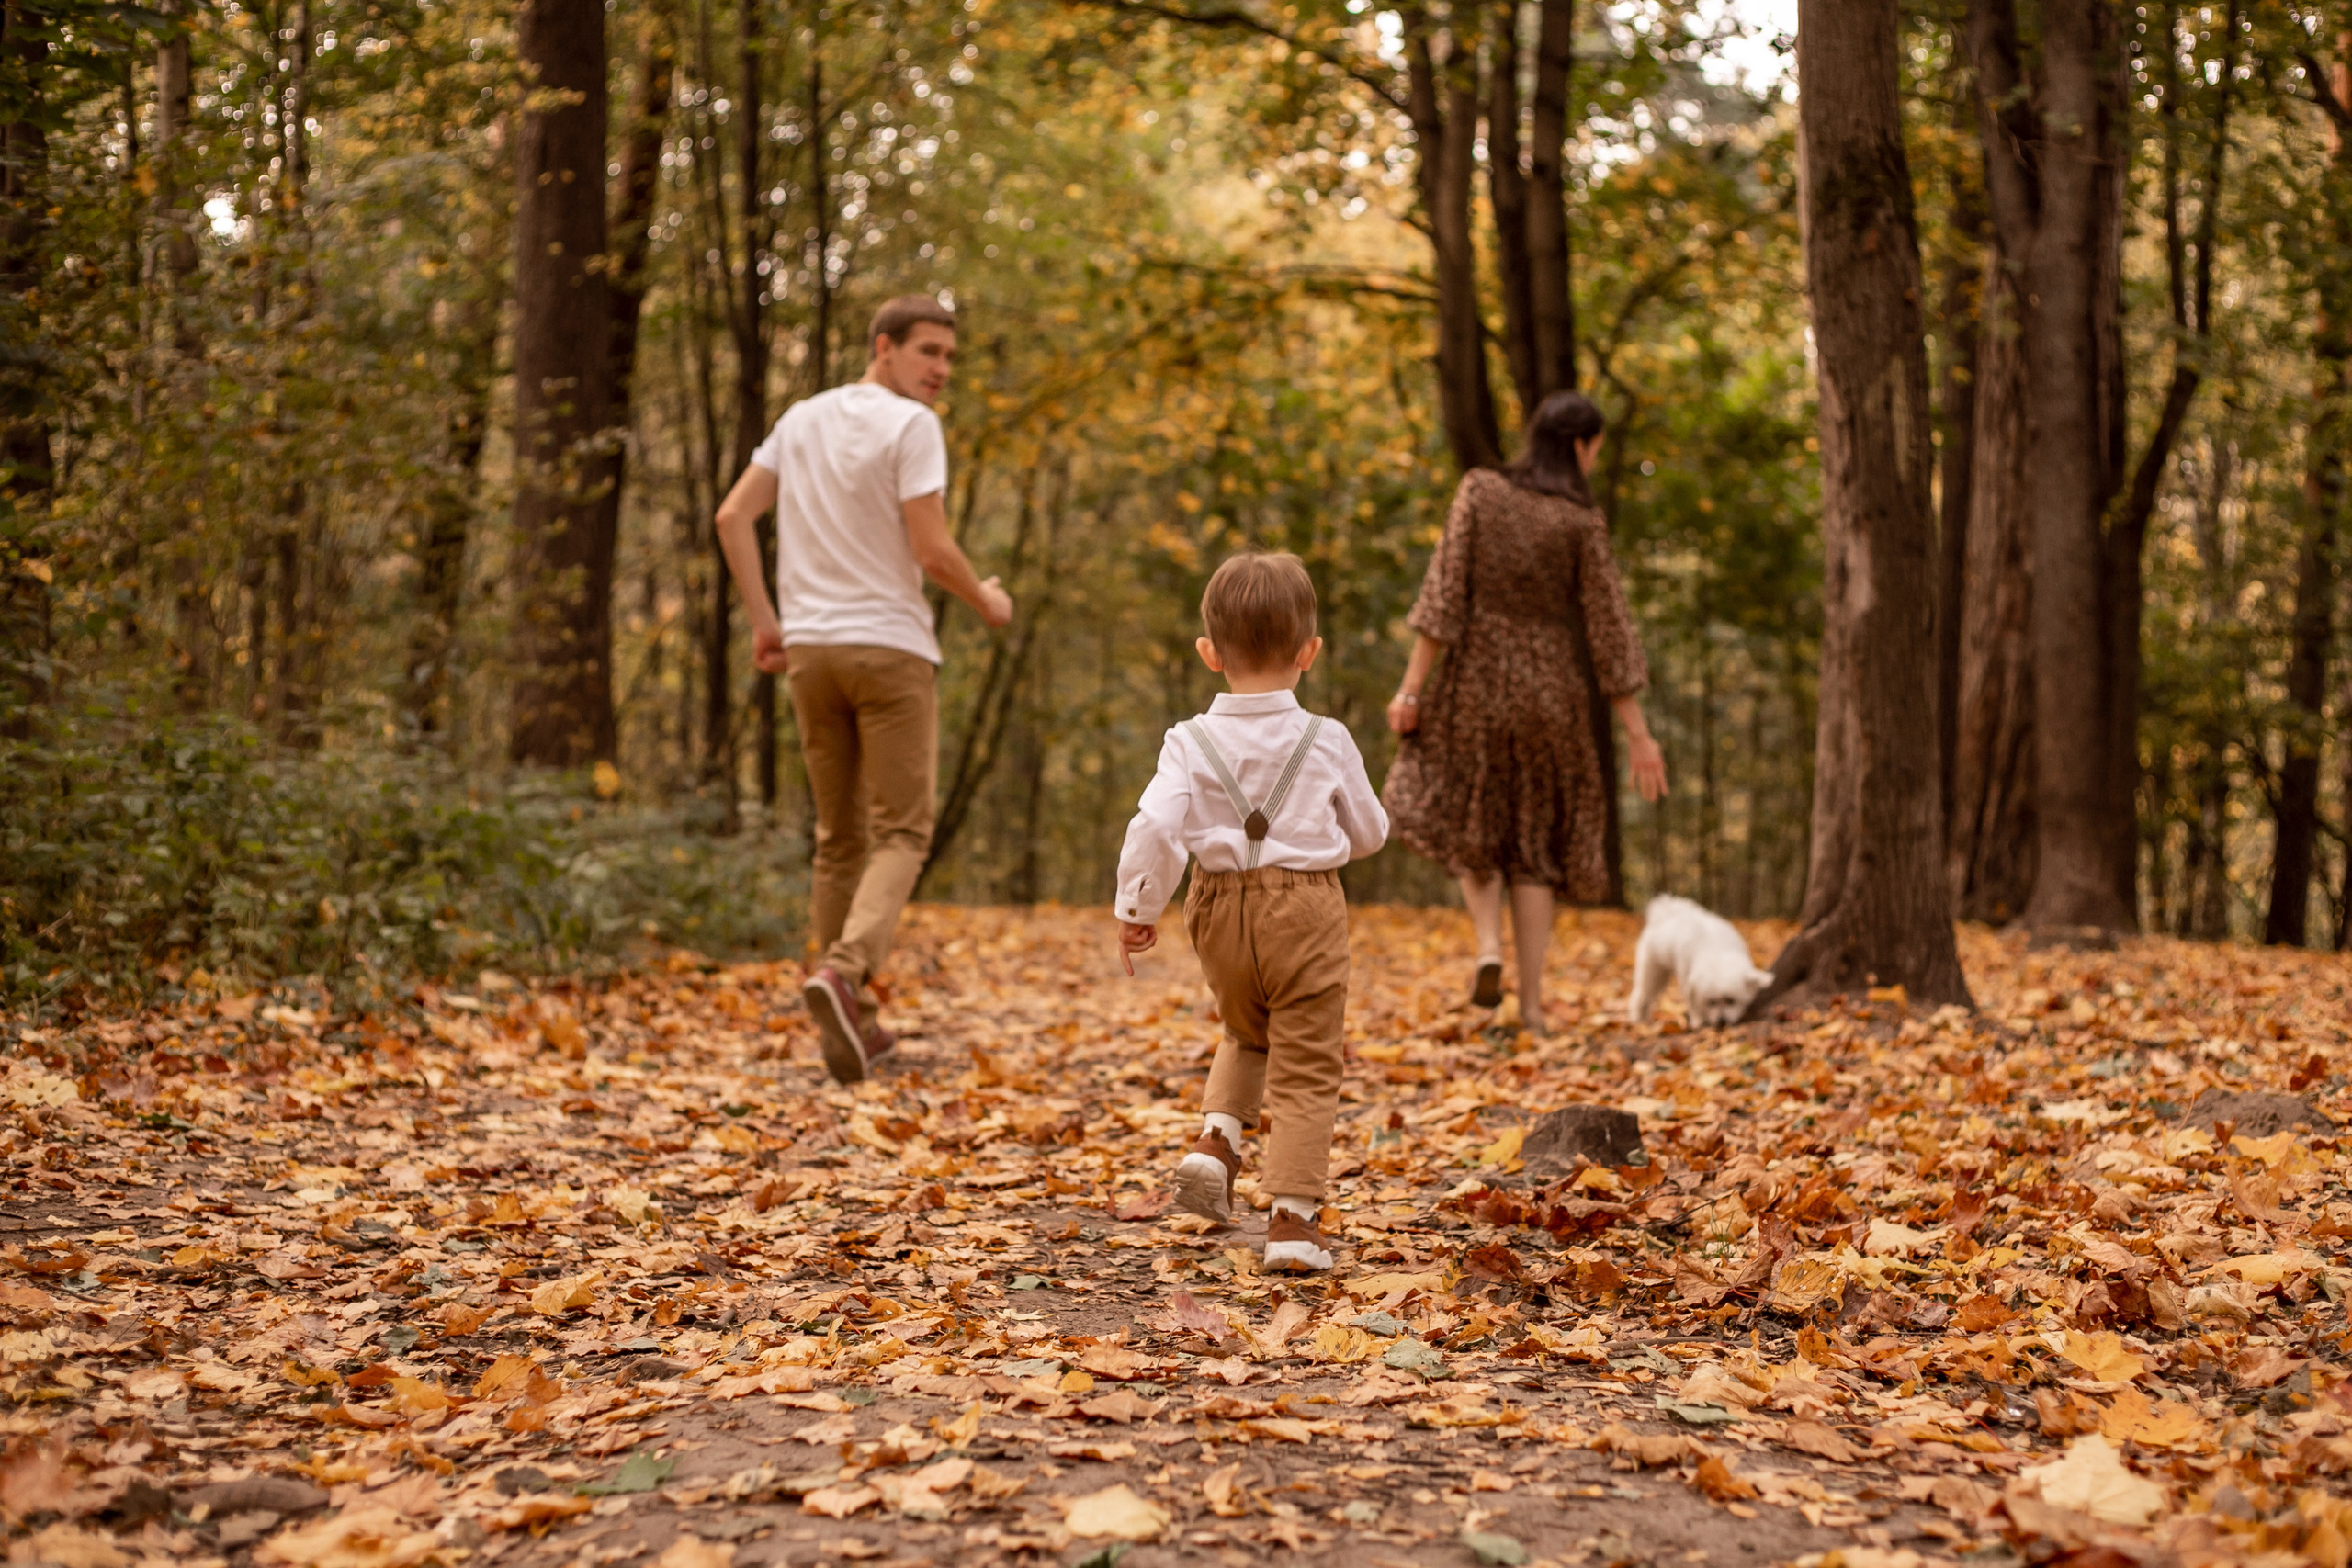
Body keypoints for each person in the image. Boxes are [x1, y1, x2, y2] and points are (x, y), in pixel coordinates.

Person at [715, 294, 1013, 1085]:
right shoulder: (912, 425)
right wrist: (987, 600)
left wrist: (767, 624)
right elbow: (932, 548)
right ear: (883, 348)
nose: (940, 370)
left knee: (837, 840)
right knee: (902, 832)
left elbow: (733, 516)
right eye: (927, 353)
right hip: (888, 649)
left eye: (948, 357)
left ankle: (852, 1026)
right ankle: (845, 974)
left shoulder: (801, 419)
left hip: (811, 651)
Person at [1114, 553, 1389, 1272]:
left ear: (1210, 653)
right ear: (1309, 652)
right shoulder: (1327, 738)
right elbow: (1369, 833)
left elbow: (1155, 823)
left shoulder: (1187, 739)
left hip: (1217, 907)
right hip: (1306, 910)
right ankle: (1294, 1223)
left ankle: (1217, 1138)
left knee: (1244, 1025)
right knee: (1306, 1061)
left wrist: (1139, 904)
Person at [1382, 390, 1668, 1035]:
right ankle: (1533, 1007)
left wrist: (1411, 691)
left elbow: (1442, 596)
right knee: (1534, 844)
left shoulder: (1480, 492)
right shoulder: (1580, 521)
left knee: (1475, 820)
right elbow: (1610, 630)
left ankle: (1487, 947)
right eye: (1594, 449)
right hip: (1551, 692)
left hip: (1476, 682)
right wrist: (1638, 735)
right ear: (1578, 445)